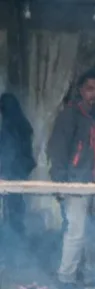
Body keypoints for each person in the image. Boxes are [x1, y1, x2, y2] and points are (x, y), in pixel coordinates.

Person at [47, 70, 95, 289]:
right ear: (81, 90)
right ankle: (65, 278)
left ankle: (90, 277)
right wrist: (60, 183)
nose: (94, 93)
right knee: (76, 231)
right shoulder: (69, 115)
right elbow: (57, 150)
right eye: (90, 88)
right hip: (75, 181)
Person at [0, 92, 36, 253]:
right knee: (16, 211)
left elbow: (9, 154)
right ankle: (17, 249)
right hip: (19, 175)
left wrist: (4, 173)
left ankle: (11, 250)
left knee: (11, 212)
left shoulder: (9, 127)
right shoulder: (24, 126)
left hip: (9, 176)